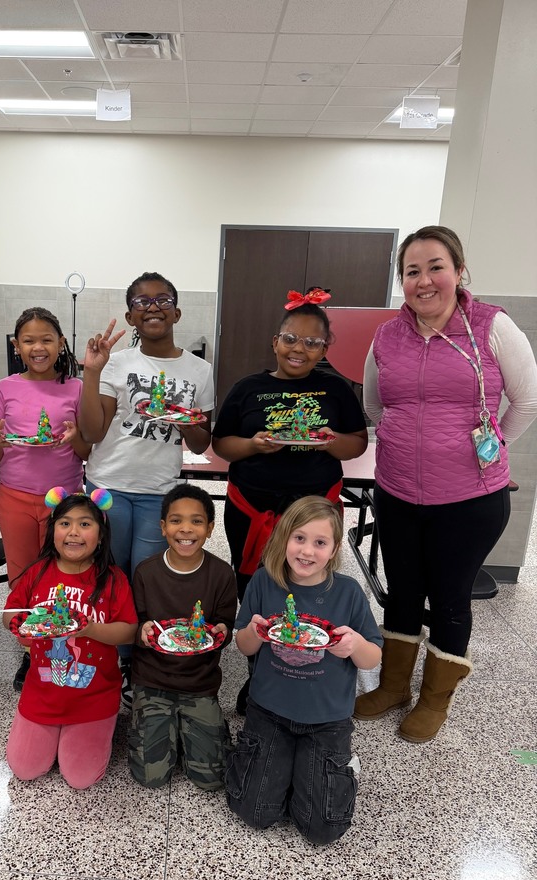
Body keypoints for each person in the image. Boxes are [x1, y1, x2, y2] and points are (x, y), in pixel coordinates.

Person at [356, 225, 537, 743]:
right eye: (412, 272)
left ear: (459, 272)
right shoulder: (387, 335)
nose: (425, 280)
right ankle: (393, 685)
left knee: (451, 597)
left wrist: (489, 446)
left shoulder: (493, 326)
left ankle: (435, 699)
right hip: (396, 492)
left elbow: (527, 401)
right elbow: (374, 404)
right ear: (403, 282)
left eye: (436, 266)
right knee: (403, 592)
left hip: (470, 498)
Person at [212, 288, 368, 712]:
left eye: (312, 342)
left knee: (310, 587)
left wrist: (329, 442)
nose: (300, 349)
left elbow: (356, 444)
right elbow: (222, 443)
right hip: (253, 507)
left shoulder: (336, 391)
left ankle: (301, 668)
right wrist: (253, 446)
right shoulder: (248, 388)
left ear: (324, 349)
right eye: (291, 339)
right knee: (256, 590)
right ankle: (259, 676)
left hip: (314, 512)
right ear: (275, 341)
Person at [80, 272, 215, 698]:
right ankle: (116, 661)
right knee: (112, 573)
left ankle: (142, 657)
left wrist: (185, 418)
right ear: (130, 315)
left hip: (160, 490)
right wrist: (91, 372)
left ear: (176, 311)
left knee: (146, 575)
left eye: (162, 300)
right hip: (109, 484)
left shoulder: (200, 370)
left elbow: (201, 441)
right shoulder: (116, 364)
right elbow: (90, 434)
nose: (153, 306)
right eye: (142, 301)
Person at [226, 496, 382, 845]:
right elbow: (244, 646)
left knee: (322, 829)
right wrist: (253, 631)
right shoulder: (265, 581)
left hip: (326, 720)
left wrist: (355, 645)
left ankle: (339, 768)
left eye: (320, 542)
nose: (307, 551)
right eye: (299, 538)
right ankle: (288, 766)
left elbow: (372, 658)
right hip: (269, 711)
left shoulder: (349, 592)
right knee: (252, 811)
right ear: (283, 538)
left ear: (334, 548)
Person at [0, 307, 90, 690]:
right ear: (17, 346)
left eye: (46, 339)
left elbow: (86, 450)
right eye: (29, 340)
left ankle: (63, 642)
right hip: (14, 498)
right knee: (23, 577)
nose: (38, 347)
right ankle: (31, 653)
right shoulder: (6, 388)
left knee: (61, 577)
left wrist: (74, 435)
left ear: (61, 343)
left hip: (64, 502)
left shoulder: (76, 389)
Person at [3, 489, 137, 789]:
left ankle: (101, 726)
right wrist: (22, 627)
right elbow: (10, 612)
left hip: (94, 696)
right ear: (52, 532)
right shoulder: (37, 572)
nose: (73, 532)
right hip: (42, 694)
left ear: (101, 536)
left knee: (81, 779)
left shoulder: (113, 579)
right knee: (24, 769)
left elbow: (128, 630)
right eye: (64, 523)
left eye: (85, 524)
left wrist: (91, 630)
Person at [129, 484, 237, 791]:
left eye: (197, 521)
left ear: (210, 528)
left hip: (198, 683)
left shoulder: (221, 575)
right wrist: (142, 632)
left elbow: (224, 625)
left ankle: (209, 729)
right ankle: (162, 728)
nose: (186, 529)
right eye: (176, 520)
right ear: (163, 527)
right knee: (151, 778)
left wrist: (223, 631)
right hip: (153, 680)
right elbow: (134, 624)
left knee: (211, 780)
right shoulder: (146, 572)